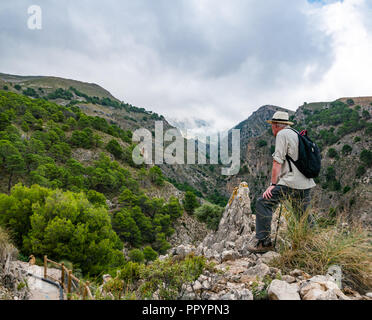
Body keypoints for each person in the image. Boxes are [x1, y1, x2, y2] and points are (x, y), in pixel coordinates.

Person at [248, 111, 316, 253]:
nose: (272, 129)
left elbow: (277, 162)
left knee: (263, 202)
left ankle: (264, 243)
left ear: (275, 125)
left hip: (290, 183)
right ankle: (315, 244)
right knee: (303, 215)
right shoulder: (296, 134)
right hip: (307, 183)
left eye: (272, 125)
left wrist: (273, 185)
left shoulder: (282, 135)